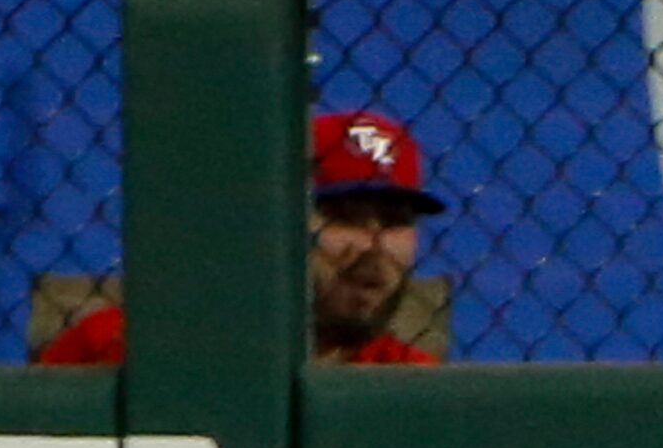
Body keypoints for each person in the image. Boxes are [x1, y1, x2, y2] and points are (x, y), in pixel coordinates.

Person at [34, 109, 443, 367]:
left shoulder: (409, 379)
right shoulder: (122, 347)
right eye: (345, 218)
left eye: (394, 222)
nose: (374, 246)